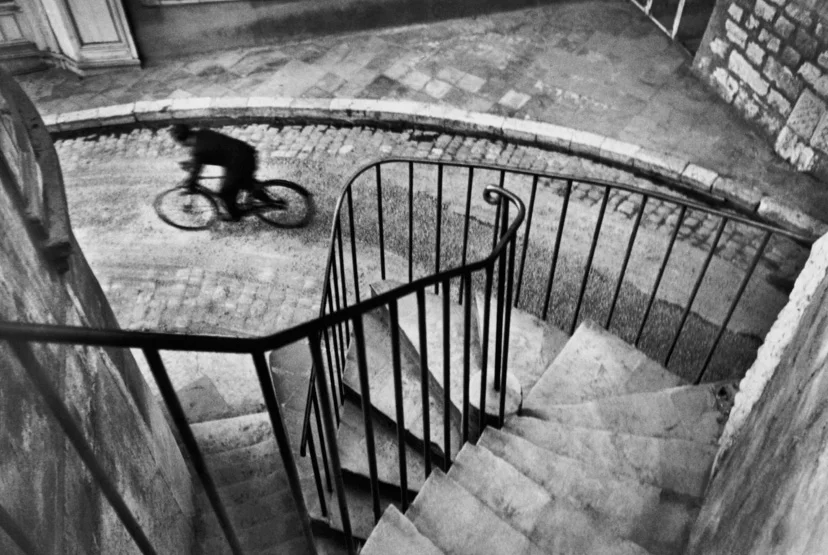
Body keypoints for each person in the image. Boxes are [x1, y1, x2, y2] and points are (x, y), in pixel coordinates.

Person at [170, 124, 263, 221]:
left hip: (240, 162)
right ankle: (265, 196)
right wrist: (193, 164)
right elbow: (212, 150)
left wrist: (190, 183)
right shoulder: (203, 133)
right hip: (244, 153)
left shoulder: (199, 151)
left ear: (181, 141)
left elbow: (196, 170)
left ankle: (234, 216)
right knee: (244, 183)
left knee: (226, 192)